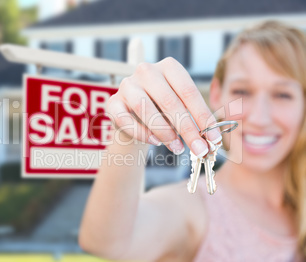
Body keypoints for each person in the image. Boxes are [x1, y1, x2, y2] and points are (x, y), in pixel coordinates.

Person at [78, 20, 306, 261]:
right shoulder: (193, 209)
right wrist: (130, 132)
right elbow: (108, 243)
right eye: (242, 91)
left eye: (282, 94)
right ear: (217, 94)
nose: (260, 118)